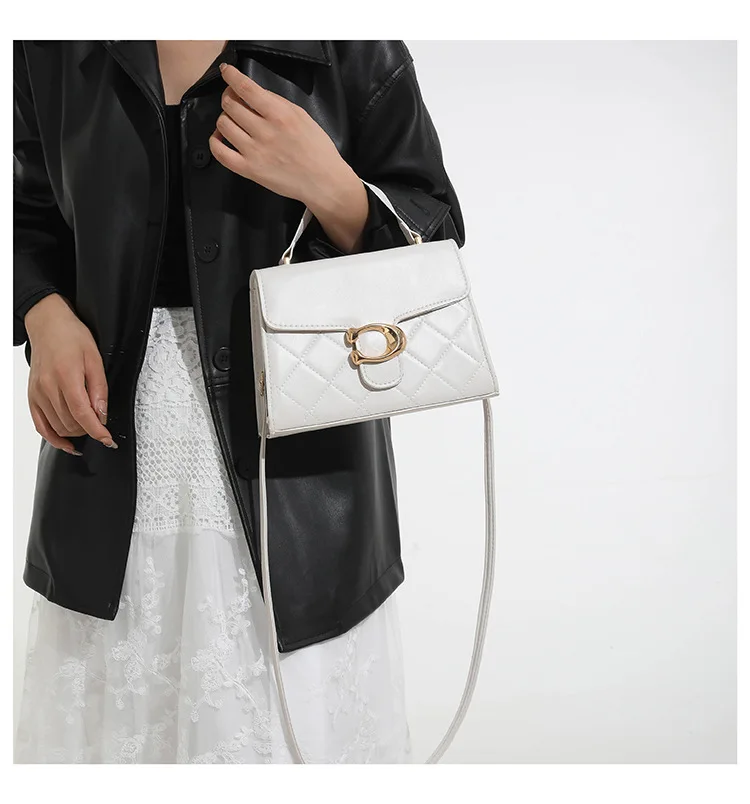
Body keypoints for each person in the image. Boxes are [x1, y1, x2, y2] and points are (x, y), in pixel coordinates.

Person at [13, 40, 465, 763]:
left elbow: (434, 231)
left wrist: (331, 186)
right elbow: (27, 208)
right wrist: (43, 313)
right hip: (110, 459)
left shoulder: (345, 37)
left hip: (301, 473)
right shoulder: (52, 41)